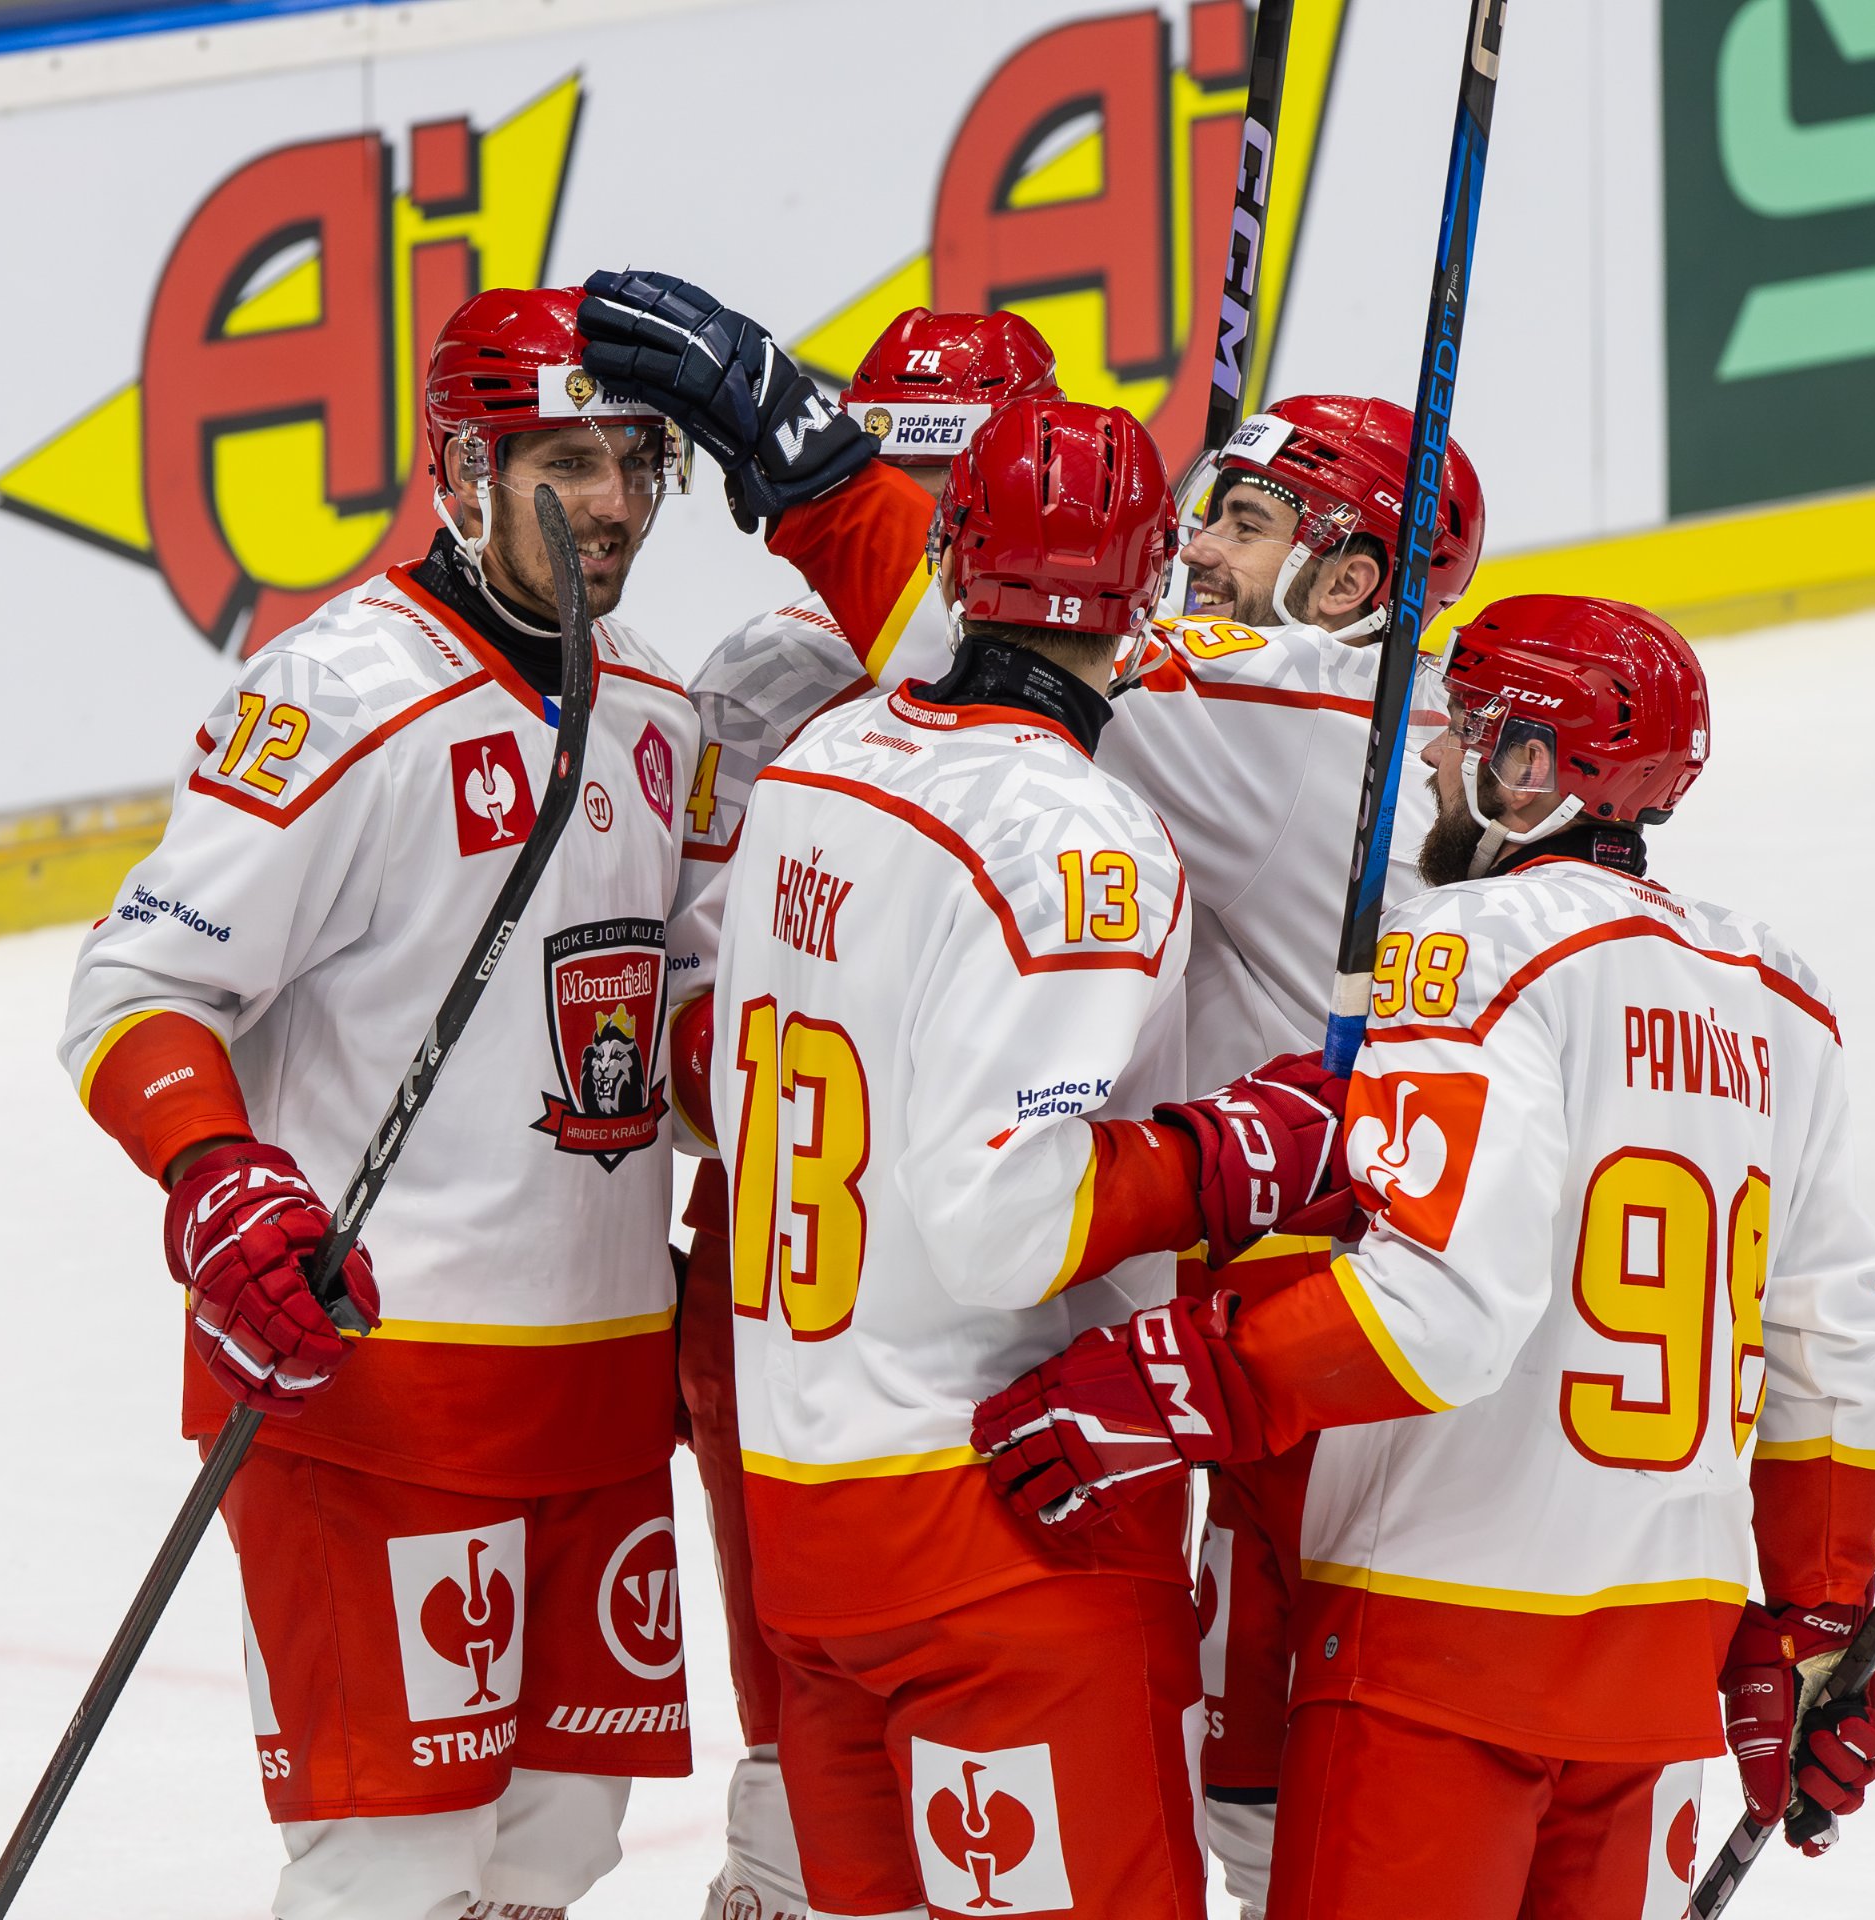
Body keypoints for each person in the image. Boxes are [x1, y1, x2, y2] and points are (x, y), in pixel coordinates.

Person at [575, 268, 1489, 1911]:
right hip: (1230, 1359)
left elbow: (1005, 653)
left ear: (1355, 583)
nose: (1202, 557)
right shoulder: (1370, 737)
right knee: (1277, 1821)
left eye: (1248, 525)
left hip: (1288, 1363)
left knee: (1301, 1823)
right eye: (1194, 523)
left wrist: (810, 469)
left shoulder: (1271, 713)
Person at [975, 594, 1875, 1919]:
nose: (1431, 753)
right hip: (1656, 1684)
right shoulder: (1782, 998)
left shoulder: (1468, 946)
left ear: (1533, 769)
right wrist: (1817, 1623)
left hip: (1434, 1647)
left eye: (1467, 727)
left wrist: (1175, 1378)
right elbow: (1835, 1341)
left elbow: (1442, 1310)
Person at [59, 286, 706, 1920]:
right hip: (373, 1386)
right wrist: (219, 1181)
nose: (615, 503)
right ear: (463, 472)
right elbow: (137, 986)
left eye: (638, 460)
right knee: (395, 1864)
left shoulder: (657, 704)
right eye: (566, 463)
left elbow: (669, 1009)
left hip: (601, 1387)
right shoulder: (342, 696)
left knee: (556, 1845)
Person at [699, 389, 1366, 1920]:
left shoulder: (822, 760)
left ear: (950, 555)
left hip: (806, 1517)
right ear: (1149, 593)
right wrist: (1232, 1154)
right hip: (1003, 1522)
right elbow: (1003, 1219)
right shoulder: (1082, 836)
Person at [667, 304, 1061, 1920]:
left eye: (965, 484)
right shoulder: (766, 682)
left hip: (1024, 1268)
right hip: (789, 1268)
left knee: (1041, 1705)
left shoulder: (1126, 681)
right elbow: (675, 1003)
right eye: (906, 480)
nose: (938, 522)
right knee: (802, 1707)